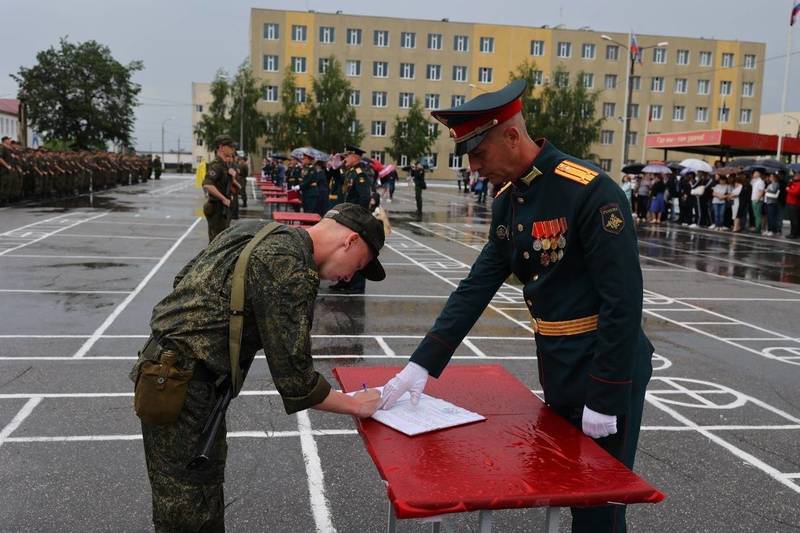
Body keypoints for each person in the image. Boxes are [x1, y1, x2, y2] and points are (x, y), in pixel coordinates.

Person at [379, 80, 653, 533]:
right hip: (558, 363)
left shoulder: (589, 191)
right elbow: (476, 286)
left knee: (599, 505)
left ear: (511, 136)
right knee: (569, 487)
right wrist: (422, 365)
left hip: (605, 366)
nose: (473, 166)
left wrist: (605, 396)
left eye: (478, 153)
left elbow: (623, 302)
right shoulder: (510, 201)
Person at [130, 203, 385, 532]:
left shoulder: (254, 229)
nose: (350, 277)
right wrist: (355, 404)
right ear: (349, 241)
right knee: (188, 508)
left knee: (191, 490)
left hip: (169, 374)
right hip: (184, 388)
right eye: (359, 265)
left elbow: (185, 278)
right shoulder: (291, 267)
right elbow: (296, 382)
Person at [202, 135, 236, 242]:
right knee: (216, 242)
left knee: (221, 241)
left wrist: (232, 175)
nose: (232, 149)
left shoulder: (224, 165)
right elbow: (207, 184)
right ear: (221, 147)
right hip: (217, 208)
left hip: (223, 209)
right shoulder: (216, 165)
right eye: (229, 146)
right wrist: (223, 198)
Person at [764, 172, 781, 236]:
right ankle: (769, 229)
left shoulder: (776, 184)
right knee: (769, 217)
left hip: (772, 202)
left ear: (774, 178)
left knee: (772, 217)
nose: (770, 178)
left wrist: (767, 190)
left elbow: (774, 191)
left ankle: (772, 230)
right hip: (768, 202)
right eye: (770, 177)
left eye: (771, 177)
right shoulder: (770, 184)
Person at [786, 170, 800, 238]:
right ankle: (794, 233)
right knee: (793, 219)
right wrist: (790, 184)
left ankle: (794, 234)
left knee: (794, 220)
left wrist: (788, 189)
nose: (795, 176)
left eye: (797, 175)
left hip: (794, 204)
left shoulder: (798, 184)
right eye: (795, 175)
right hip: (791, 203)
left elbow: (795, 192)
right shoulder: (793, 183)